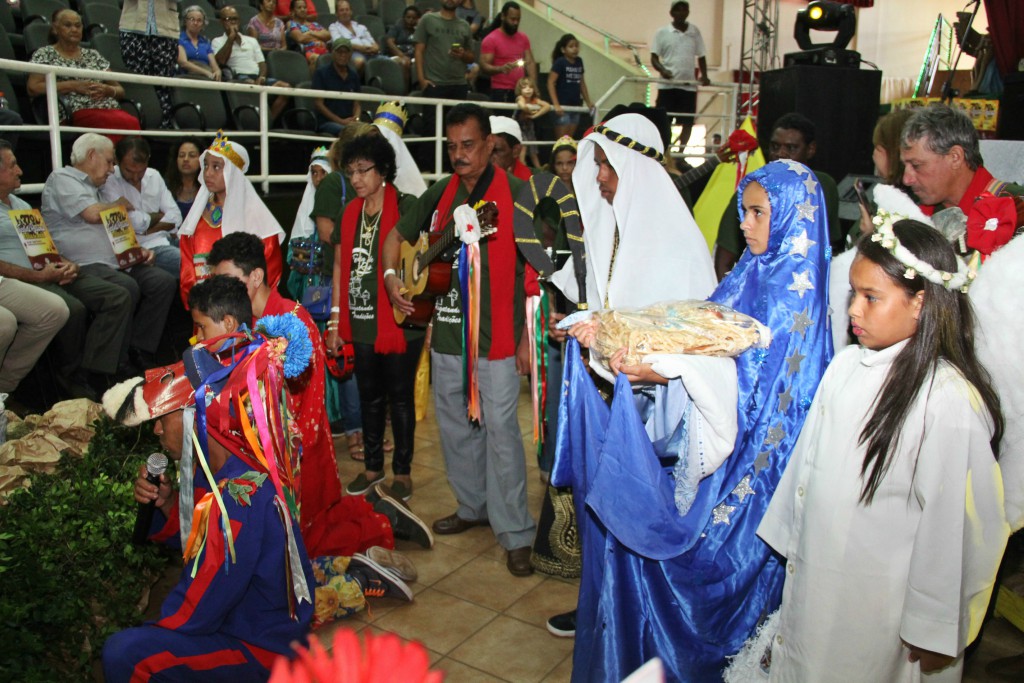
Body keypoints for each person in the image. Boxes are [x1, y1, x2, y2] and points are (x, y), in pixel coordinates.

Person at [556, 159, 832, 680]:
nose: (743, 224)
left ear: (793, 218)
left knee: (692, 566)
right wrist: (622, 339)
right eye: (744, 211)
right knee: (634, 531)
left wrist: (660, 369)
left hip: (754, 473)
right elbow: (694, 331)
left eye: (758, 213)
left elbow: (755, 387)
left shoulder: (795, 299)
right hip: (712, 446)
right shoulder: (749, 273)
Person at [758, 218, 1008, 682]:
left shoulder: (946, 400)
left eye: (871, 297)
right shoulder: (845, 367)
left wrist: (933, 629)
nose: (854, 309)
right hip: (822, 576)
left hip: (881, 609)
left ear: (920, 303)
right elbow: (807, 470)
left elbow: (958, 527)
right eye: (853, 293)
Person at [381, 103, 537, 577]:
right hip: (447, 333)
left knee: (502, 433)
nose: (459, 154)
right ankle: (473, 506)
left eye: (468, 145)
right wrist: (391, 277)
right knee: (454, 427)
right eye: (452, 146)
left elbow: (535, 273)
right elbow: (395, 237)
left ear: (490, 144)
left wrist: (527, 338)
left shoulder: (518, 194)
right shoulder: (441, 192)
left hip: (498, 337)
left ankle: (516, 532)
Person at [206, 237, 432, 556]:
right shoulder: (243, 324)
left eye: (229, 280)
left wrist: (280, 460)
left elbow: (306, 412)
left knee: (307, 548)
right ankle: (376, 506)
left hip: (299, 456)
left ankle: (382, 520)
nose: (223, 290)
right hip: (268, 456)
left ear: (256, 277)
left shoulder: (292, 323)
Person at [326, 134, 423, 502]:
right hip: (360, 317)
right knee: (369, 396)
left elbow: (422, 251)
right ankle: (371, 468)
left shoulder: (407, 205)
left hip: (399, 318)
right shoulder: (348, 212)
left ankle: (403, 471)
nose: (355, 179)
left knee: (400, 397)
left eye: (363, 170)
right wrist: (335, 321)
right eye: (350, 172)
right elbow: (340, 266)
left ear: (383, 170)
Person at [0, 139, 129, 398]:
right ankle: (67, 377)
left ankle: (95, 371)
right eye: (12, 166)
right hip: (22, 278)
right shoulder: (59, 181)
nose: (20, 171)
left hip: (48, 271)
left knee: (119, 294)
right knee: (73, 309)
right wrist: (37, 276)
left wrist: (66, 262)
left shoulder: (21, 205)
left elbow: (43, 246)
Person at [41, 133, 176, 374]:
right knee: (126, 288)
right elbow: (92, 214)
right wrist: (119, 205)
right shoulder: (63, 178)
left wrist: (137, 250)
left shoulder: (99, 188)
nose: (112, 169)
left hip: (116, 260)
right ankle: (103, 368)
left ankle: (138, 348)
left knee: (162, 282)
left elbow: (118, 227)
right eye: (110, 162)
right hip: (84, 263)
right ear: (92, 155)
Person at [829, 108, 917, 351]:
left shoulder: (904, 208)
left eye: (878, 148)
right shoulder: (884, 199)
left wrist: (870, 236)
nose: (873, 155)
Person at [714, 112, 840, 280]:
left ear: (810, 149)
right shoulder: (753, 189)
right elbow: (724, 259)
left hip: (807, 285)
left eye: (791, 148)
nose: (780, 154)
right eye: (774, 146)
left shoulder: (824, 186)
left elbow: (831, 246)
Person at [177, 133, 284, 308]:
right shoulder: (196, 217)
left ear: (232, 172)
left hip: (246, 312)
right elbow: (187, 269)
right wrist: (201, 304)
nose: (208, 173)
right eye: (206, 165)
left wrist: (240, 306)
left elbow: (269, 271)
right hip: (205, 309)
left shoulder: (256, 218)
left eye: (216, 167)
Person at [27, 10, 141, 143]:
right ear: (55, 29)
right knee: (108, 122)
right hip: (72, 110)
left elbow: (120, 90)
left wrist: (108, 90)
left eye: (78, 25)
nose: (74, 29)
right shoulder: (45, 54)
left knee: (132, 121)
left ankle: (127, 157)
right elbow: (33, 87)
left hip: (107, 108)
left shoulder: (93, 55)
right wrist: (73, 86)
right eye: (68, 25)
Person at [902, 102, 1024, 218]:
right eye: (904, 166)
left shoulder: (1017, 208)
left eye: (916, 165)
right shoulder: (911, 211)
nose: (906, 180)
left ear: (955, 157)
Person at [101, 137, 182, 279]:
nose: (135, 177)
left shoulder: (154, 175)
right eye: (129, 171)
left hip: (169, 239)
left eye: (141, 171)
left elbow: (176, 217)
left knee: (206, 255)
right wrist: (159, 216)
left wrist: (144, 230)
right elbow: (130, 222)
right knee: (194, 263)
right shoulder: (109, 181)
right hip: (146, 248)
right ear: (117, 161)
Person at [212, 5, 292, 122]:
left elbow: (262, 63)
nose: (232, 22)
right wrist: (231, 38)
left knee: (286, 88)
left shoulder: (251, 40)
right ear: (222, 22)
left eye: (235, 19)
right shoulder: (217, 41)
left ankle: (268, 123)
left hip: (257, 76)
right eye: (228, 19)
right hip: (238, 77)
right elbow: (221, 61)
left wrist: (262, 76)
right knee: (252, 85)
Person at [651, 1, 710, 149]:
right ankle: (665, 151)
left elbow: (701, 55)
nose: (682, 12)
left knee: (688, 122)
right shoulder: (662, 32)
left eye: (685, 9)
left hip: (688, 86)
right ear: (672, 13)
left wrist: (704, 75)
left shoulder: (694, 32)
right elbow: (654, 57)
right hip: (667, 86)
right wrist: (663, 71)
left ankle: (680, 153)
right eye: (678, 10)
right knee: (665, 121)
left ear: (688, 12)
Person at [413, 0, 475, 131]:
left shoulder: (464, 25)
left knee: (456, 131)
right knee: (432, 132)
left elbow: (471, 57)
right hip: (434, 84)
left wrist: (462, 54)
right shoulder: (428, 19)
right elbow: (419, 51)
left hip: (458, 85)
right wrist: (421, 80)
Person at [119, 0, 180, 125]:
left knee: (163, 82)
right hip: (133, 28)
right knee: (136, 81)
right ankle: (134, 123)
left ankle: (164, 125)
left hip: (166, 29)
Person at [479, 1, 536, 103]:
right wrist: (500, 69)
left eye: (518, 19)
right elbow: (484, 66)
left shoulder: (523, 38)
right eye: (512, 19)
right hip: (501, 91)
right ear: (503, 17)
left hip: (521, 91)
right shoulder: (491, 39)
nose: (515, 23)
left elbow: (530, 62)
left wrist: (533, 86)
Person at [312, 38, 362, 137]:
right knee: (348, 132)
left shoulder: (354, 75)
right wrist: (341, 121)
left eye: (346, 52)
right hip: (327, 122)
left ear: (350, 54)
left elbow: (357, 104)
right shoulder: (321, 73)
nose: (343, 55)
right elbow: (319, 104)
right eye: (339, 52)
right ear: (333, 53)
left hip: (350, 123)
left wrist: (356, 119)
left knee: (370, 132)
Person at [547, 33, 592, 140]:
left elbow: (582, 83)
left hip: (575, 105)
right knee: (562, 140)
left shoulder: (579, 61)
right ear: (563, 49)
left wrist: (588, 101)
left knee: (569, 139)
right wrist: (556, 104)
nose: (575, 49)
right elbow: (550, 83)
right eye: (571, 46)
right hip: (562, 105)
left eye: (576, 46)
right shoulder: (560, 62)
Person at [328, 0, 380, 75]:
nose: (345, 12)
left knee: (394, 61)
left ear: (351, 12)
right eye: (342, 10)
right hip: (352, 53)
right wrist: (361, 48)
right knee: (359, 61)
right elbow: (339, 42)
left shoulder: (361, 27)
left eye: (347, 9)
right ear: (337, 13)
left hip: (371, 53)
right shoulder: (334, 27)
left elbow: (372, 42)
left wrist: (376, 48)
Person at [177, 6, 223, 81]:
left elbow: (214, 66)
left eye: (199, 20)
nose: (195, 23)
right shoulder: (179, 39)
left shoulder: (205, 42)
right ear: (185, 21)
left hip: (206, 77)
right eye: (192, 19)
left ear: (203, 24)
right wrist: (206, 73)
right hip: (187, 77)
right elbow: (183, 63)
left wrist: (217, 71)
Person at [164, 137, 205, 219]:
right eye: (181, 155)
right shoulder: (165, 186)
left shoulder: (208, 187)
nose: (186, 159)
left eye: (192, 155)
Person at [514, 77, 549, 168]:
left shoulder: (534, 100)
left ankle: (539, 168)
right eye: (524, 87)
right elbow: (522, 105)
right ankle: (522, 165)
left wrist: (535, 115)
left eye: (530, 87)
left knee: (533, 148)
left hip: (529, 126)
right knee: (524, 145)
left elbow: (547, 106)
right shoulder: (520, 97)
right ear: (520, 90)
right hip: (518, 126)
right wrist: (529, 110)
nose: (528, 90)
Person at [384, 5, 421, 90]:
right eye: (408, 17)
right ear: (404, 18)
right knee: (405, 62)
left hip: (413, 57)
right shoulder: (396, 28)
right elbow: (390, 42)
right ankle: (406, 91)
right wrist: (402, 55)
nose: (411, 20)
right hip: (397, 56)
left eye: (414, 18)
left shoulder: (418, 31)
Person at [288, 0, 331, 70]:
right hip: (307, 53)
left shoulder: (315, 24)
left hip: (324, 51)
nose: (302, 9)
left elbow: (328, 35)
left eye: (304, 7)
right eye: (299, 7)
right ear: (293, 10)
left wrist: (310, 33)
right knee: (319, 60)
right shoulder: (293, 25)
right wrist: (319, 36)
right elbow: (301, 38)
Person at [489, 115, 532, 181]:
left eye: (496, 150)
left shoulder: (533, 182)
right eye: (484, 150)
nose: (487, 156)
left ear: (515, 151)